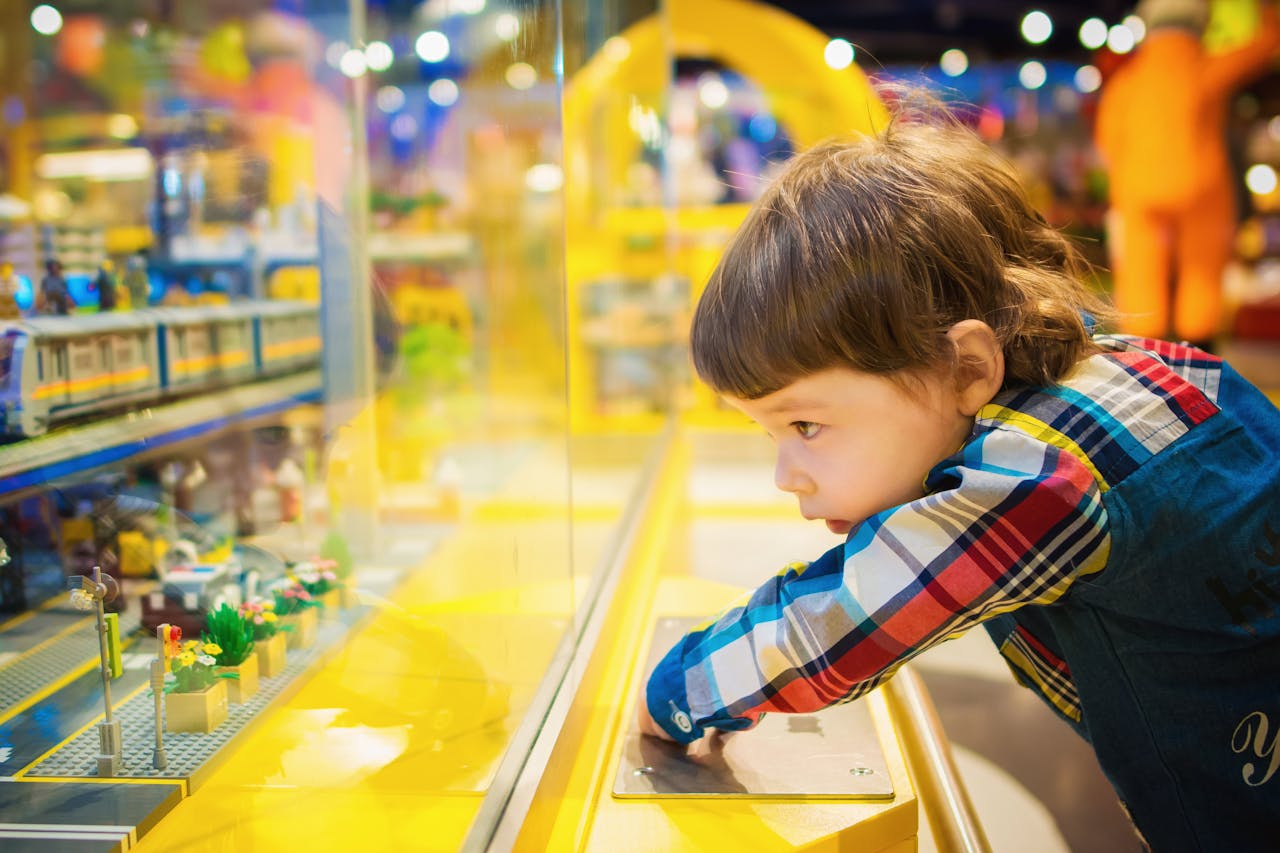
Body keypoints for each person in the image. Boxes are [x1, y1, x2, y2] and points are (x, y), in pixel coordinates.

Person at [639, 96, 1280, 851]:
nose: (789, 474)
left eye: (805, 425)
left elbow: (833, 625)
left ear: (966, 366)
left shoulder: (1039, 475)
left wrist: (674, 693)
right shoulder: (1154, 367)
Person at [1094, 0, 1280, 346]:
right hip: (1200, 186)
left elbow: (1108, 139)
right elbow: (1265, 45)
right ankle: (1198, 339)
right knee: (1201, 269)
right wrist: (1266, 11)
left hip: (1138, 188)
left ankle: (1144, 339)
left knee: (1140, 270)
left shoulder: (1127, 81)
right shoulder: (1204, 68)